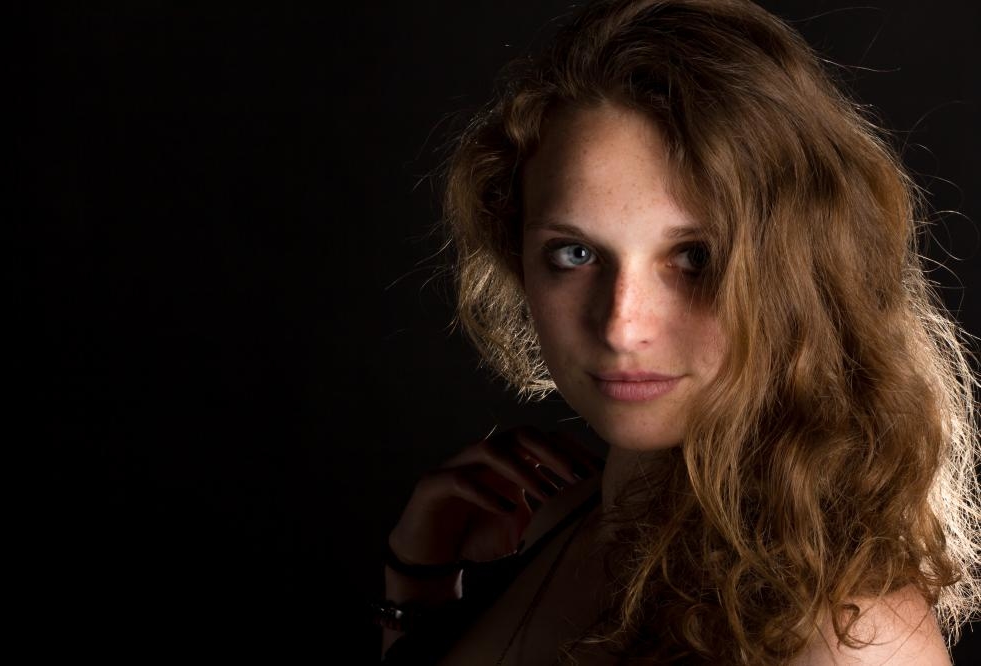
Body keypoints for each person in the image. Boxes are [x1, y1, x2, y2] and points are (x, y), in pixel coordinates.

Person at [373, 0, 981, 663]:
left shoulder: (846, 637)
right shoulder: (561, 521)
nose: (621, 326)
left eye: (695, 257)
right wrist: (419, 593)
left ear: (800, 274)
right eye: (575, 254)